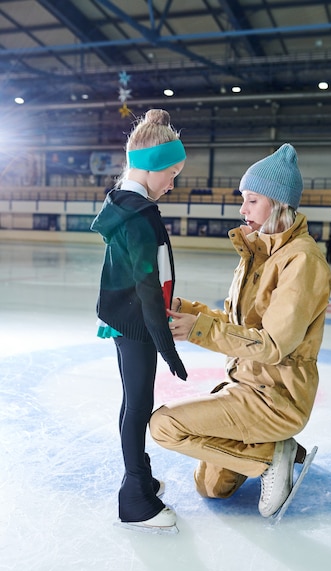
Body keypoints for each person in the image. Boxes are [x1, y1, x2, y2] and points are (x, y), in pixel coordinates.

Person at [150, 144, 331, 519]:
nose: (242, 209)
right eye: (242, 199)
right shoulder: (259, 252)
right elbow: (240, 325)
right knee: (211, 487)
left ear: (279, 204)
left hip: (276, 396)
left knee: (164, 426)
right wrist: (186, 309)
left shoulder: (302, 260)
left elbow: (273, 345)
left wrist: (200, 331)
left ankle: (268, 458)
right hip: (246, 385)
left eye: (252, 200)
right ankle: (275, 448)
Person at [90, 109, 188, 531]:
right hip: (137, 323)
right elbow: (148, 286)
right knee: (138, 406)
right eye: (171, 173)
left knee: (134, 402)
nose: (172, 183)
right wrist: (165, 344)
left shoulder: (129, 205)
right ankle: (135, 499)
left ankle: (141, 478)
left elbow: (150, 278)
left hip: (130, 318)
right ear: (149, 168)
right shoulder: (139, 215)